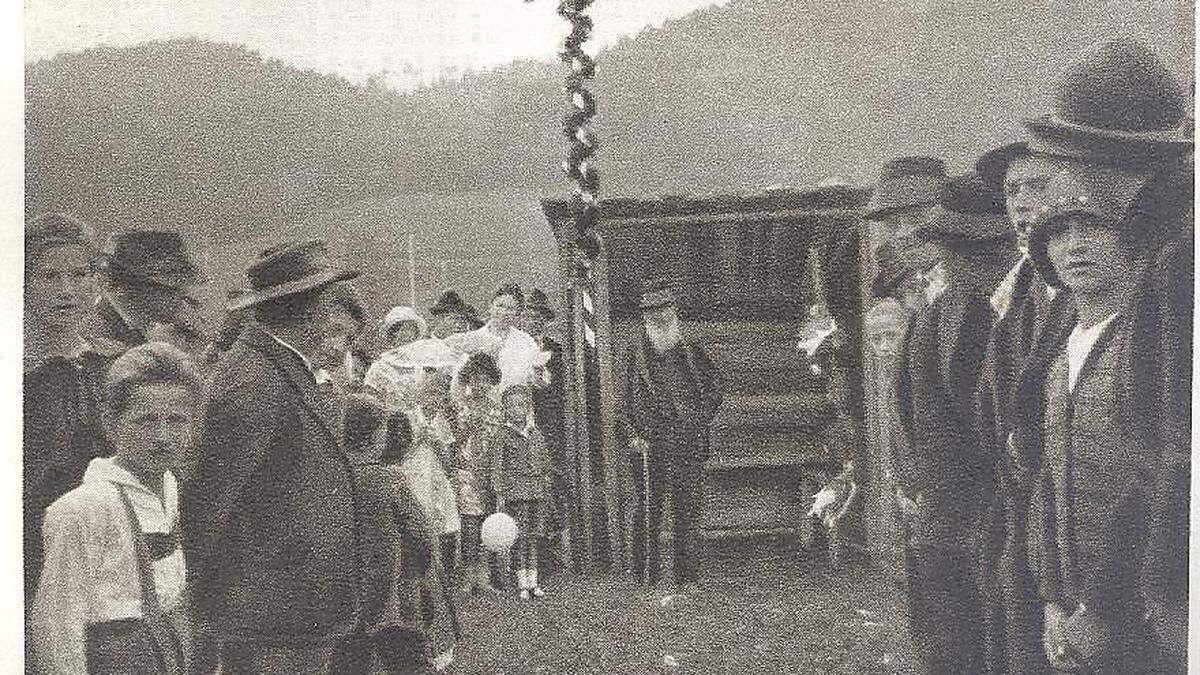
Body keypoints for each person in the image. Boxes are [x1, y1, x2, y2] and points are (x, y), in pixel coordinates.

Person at [1010, 39, 1192, 674]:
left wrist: (1109, 610)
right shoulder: (1163, 262)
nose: (1077, 186)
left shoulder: (1176, 269)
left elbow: (1164, 465)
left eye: (1083, 165)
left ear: (1131, 164)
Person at [181, 239, 369, 673]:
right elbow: (208, 501)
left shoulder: (282, 368)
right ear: (308, 307)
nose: (332, 311)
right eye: (327, 299)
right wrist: (209, 610)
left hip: (290, 610)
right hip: (265, 617)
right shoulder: (254, 379)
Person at [893, 173, 1018, 674]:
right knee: (947, 652)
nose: (959, 261)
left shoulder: (1017, 311)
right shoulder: (936, 312)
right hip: (942, 519)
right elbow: (919, 408)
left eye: (981, 250)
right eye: (955, 249)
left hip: (995, 518)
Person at [32, 342, 202, 674]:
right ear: (112, 423)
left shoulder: (174, 491)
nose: (163, 436)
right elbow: (56, 627)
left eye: (177, 420)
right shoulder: (85, 507)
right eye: (146, 421)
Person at [23, 213, 120, 623]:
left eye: (80, 274)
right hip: (32, 558)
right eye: (50, 277)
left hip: (109, 559)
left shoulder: (111, 364)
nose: (67, 290)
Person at [622, 279, 724, 586]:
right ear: (644, 317)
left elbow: (715, 389)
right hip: (649, 442)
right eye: (652, 311)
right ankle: (645, 574)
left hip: (688, 441)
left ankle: (687, 576)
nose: (660, 316)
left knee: (688, 509)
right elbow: (622, 400)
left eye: (665, 309)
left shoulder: (691, 350)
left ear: (674, 311)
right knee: (648, 508)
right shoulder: (634, 354)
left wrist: (699, 419)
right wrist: (632, 435)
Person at [381, 411, 460, 672]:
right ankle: (430, 652)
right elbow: (415, 524)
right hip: (412, 554)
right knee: (419, 602)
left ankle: (430, 649)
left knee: (417, 602)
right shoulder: (393, 478)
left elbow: (440, 483)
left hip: (403, 553)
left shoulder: (419, 460)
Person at [521, 288, 571, 576]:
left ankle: (554, 552)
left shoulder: (558, 352)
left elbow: (564, 391)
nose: (533, 321)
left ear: (545, 321)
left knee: (551, 486)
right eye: (528, 315)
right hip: (520, 424)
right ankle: (530, 557)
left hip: (549, 427)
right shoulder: (513, 348)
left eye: (539, 317)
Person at [92, 230, 208, 353]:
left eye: (178, 289)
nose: (175, 299)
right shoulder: (99, 332)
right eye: (167, 289)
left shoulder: (181, 315)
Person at [490, 384, 552, 600]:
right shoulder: (502, 435)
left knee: (534, 536)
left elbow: (544, 460)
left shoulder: (535, 433)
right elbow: (497, 466)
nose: (518, 410)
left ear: (528, 408)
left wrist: (544, 480)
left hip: (536, 492)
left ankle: (534, 581)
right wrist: (500, 493)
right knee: (520, 537)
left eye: (522, 405)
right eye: (512, 406)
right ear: (505, 410)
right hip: (516, 493)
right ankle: (522, 582)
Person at [452, 353, 504, 595]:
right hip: (467, 469)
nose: (479, 384)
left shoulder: (497, 408)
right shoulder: (459, 406)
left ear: (491, 381)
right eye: (474, 379)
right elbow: (454, 441)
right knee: (470, 523)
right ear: (468, 380)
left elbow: (501, 441)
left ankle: (486, 575)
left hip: (491, 469)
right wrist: (467, 429)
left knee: (489, 521)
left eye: (484, 379)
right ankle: (468, 575)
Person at [444, 283, 549, 394]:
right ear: (491, 307)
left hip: (516, 406)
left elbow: (541, 381)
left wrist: (538, 376)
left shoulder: (526, 342)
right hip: (480, 405)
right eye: (500, 305)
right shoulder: (472, 339)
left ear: (517, 313)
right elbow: (459, 379)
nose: (504, 312)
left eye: (510, 308)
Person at [366, 306, 460, 413]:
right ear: (391, 335)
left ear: (416, 332)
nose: (402, 334)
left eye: (407, 329)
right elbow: (371, 402)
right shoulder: (380, 367)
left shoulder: (430, 361)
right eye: (397, 329)